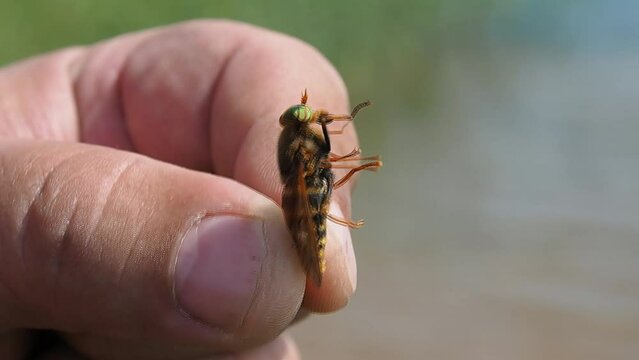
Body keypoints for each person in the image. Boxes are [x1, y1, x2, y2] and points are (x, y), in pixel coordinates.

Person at [0, 20, 359, 359]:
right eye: (305, 115)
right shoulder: (298, 145)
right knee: (317, 177)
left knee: (319, 177)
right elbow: (318, 165)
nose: (310, 115)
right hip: (303, 210)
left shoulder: (301, 140)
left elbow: (321, 165)